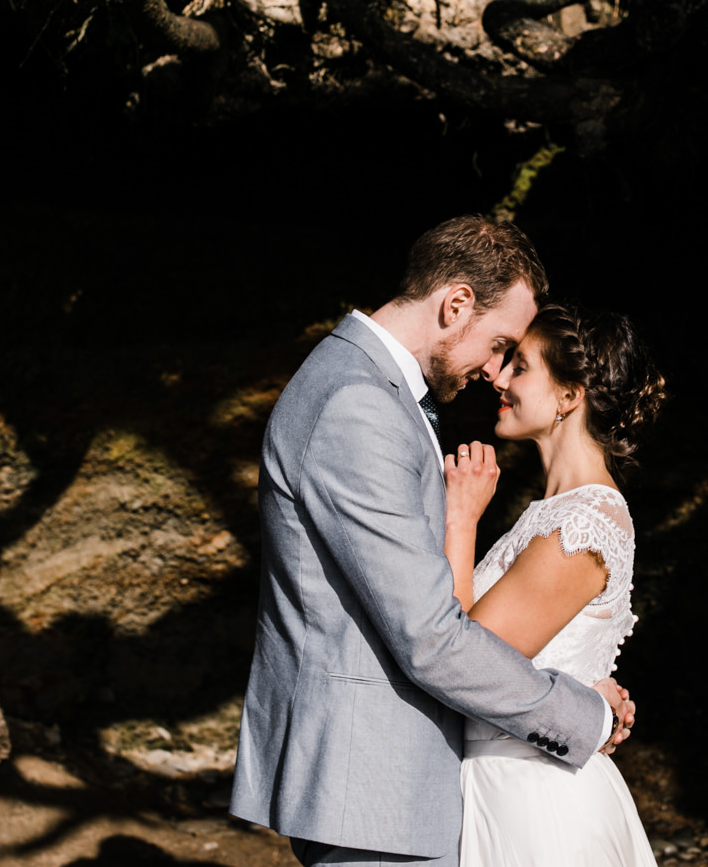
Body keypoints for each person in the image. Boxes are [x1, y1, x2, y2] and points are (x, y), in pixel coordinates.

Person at [232, 216, 634, 867]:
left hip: (399, 786)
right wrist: (581, 708)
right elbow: (431, 635)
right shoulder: (359, 402)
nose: (494, 371)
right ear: (455, 305)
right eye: (500, 342)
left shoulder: (368, 388)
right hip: (372, 783)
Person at [443, 303, 665, 867]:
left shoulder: (584, 522)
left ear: (569, 396)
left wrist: (461, 520)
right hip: (503, 789)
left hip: (536, 807)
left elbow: (468, 659)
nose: (496, 376)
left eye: (519, 366)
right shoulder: (558, 513)